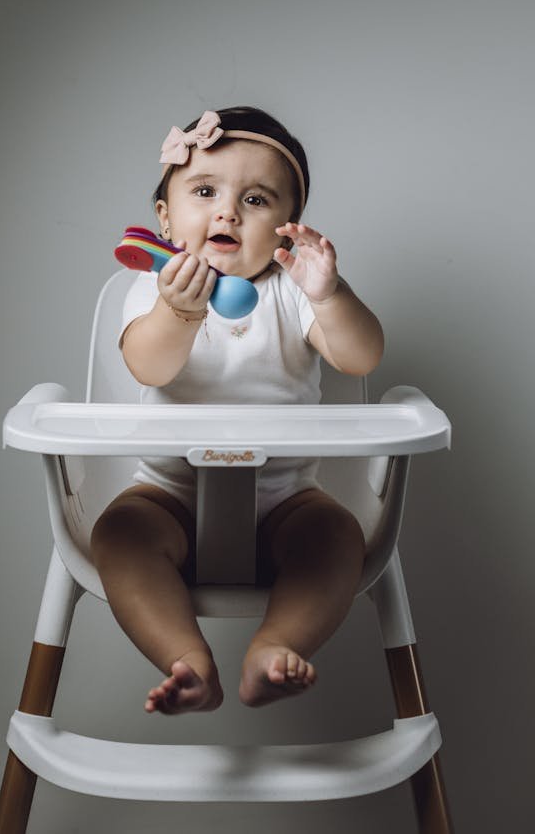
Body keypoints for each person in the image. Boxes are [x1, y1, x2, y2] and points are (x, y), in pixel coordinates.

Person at [91, 106, 384, 715]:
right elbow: (151, 367)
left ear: (287, 228)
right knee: (118, 534)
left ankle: (275, 646)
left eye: (256, 200)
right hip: (169, 495)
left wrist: (329, 294)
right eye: (205, 191)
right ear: (167, 219)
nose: (227, 212)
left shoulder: (294, 296)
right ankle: (186, 658)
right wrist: (179, 311)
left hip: (285, 502)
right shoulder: (152, 288)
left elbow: (361, 357)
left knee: (337, 536)